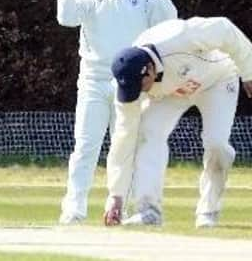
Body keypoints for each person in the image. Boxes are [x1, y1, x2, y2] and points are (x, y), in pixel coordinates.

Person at [56, 0, 178, 224]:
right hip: (93, 80)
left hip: (130, 83)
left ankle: (128, 209)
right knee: (86, 147)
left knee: (127, 149)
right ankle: (74, 210)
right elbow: (66, 17)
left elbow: (168, 23)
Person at [103, 17, 252, 229]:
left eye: (140, 85)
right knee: (146, 132)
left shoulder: (179, 37)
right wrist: (115, 195)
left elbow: (225, 29)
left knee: (216, 144)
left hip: (217, 80)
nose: (138, 92)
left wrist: (248, 72)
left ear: (149, 68)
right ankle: (148, 211)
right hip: (171, 93)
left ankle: (208, 211)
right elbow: (123, 138)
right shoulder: (129, 86)